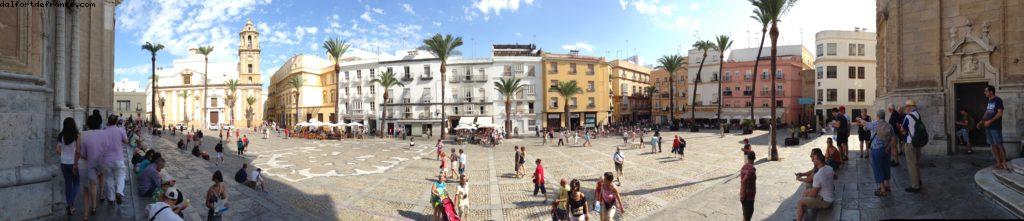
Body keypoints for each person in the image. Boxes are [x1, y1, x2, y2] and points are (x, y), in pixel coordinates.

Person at [856, 109, 894, 196]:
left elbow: (864, 123)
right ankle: (887, 185)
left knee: (878, 168)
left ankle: (882, 189)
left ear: (877, 116)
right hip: (887, 149)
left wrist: (859, 119)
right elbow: (893, 139)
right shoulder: (889, 125)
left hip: (877, 149)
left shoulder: (874, 124)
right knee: (886, 167)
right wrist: (888, 147)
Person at [79, 112, 107, 218]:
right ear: (99, 123)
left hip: (89, 163)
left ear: (88, 124)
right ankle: (99, 197)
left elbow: (82, 154)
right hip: (101, 162)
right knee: (99, 178)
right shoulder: (104, 134)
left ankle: (91, 209)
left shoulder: (83, 134)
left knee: (89, 186)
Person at [796, 148, 835, 221]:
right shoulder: (829, 168)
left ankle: (800, 217)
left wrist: (807, 197)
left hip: (825, 201)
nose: (812, 160)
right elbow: (835, 176)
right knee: (806, 192)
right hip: (829, 197)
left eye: (813, 158)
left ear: (818, 160)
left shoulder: (818, 175)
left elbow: (813, 195)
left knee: (800, 202)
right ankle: (803, 213)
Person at [102, 115, 130, 205]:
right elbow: (126, 141)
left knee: (109, 178)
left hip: (106, 159)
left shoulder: (104, 132)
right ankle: (119, 191)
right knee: (121, 175)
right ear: (116, 122)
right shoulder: (121, 130)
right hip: (118, 158)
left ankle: (111, 198)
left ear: (108, 121)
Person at [56, 117, 81, 216]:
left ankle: (70, 206)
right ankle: (70, 203)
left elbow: (57, 150)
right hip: (72, 163)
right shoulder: (76, 136)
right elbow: (78, 151)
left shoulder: (61, 135)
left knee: (68, 184)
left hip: (63, 163)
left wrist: (63, 155)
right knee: (76, 183)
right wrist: (75, 164)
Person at [979, 85, 1006, 170]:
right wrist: (981, 121)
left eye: (986, 91)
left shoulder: (998, 100)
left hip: (995, 127)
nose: (984, 93)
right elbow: (987, 112)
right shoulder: (989, 101)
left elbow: (1000, 113)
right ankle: (998, 163)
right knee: (993, 145)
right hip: (988, 127)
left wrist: (990, 121)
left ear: (991, 92)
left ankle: (1004, 163)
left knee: (999, 144)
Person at [900, 100, 923, 192]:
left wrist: (902, 130)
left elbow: (902, 130)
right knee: (916, 162)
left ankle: (915, 185)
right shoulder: (918, 114)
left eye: (906, 107)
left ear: (909, 107)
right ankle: (918, 180)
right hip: (917, 141)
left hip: (910, 142)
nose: (906, 109)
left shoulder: (908, 116)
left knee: (911, 164)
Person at [739, 151, 756, 221]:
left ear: (748, 158)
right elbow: (744, 181)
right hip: (748, 197)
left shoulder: (744, 166)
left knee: (745, 215)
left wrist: (741, 194)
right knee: (748, 215)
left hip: (745, 196)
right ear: (754, 158)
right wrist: (743, 194)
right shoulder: (751, 169)